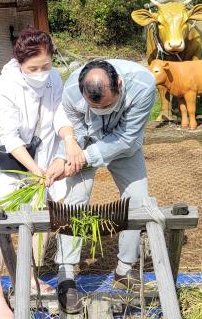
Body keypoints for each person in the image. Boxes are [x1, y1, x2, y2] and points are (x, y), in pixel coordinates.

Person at [0, 27, 71, 319]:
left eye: (46, 66)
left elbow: (60, 116)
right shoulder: (4, 86)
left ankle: (28, 278)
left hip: (41, 157)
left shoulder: (54, 79)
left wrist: (64, 150)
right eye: (33, 68)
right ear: (20, 64)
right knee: (0, 220)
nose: (41, 73)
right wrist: (37, 171)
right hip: (8, 161)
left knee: (41, 215)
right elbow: (10, 138)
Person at [47, 59, 157, 314]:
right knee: (75, 200)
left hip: (124, 145)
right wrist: (64, 157)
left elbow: (127, 138)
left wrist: (83, 158)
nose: (101, 112)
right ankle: (66, 274)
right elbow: (73, 132)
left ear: (119, 84)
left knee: (137, 200)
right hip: (86, 141)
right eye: (94, 107)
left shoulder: (143, 85)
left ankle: (124, 269)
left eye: (107, 106)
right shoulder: (72, 89)